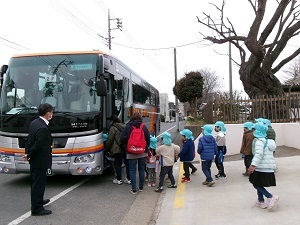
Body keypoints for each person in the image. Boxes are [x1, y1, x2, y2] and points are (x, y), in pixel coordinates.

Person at [23, 103, 53, 216]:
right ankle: (37, 209)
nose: (52, 114)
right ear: (48, 113)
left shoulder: (35, 122)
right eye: (51, 112)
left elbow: (29, 139)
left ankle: (39, 201)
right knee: (38, 184)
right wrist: (29, 155)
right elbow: (38, 145)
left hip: (36, 160)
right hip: (40, 160)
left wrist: (28, 153)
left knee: (37, 183)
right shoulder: (43, 128)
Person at [248, 122, 279, 210]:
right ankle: (261, 201)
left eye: (254, 129)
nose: (252, 131)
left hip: (261, 167)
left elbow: (258, 154)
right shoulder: (268, 141)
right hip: (267, 167)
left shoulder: (259, 141)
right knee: (258, 183)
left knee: (255, 184)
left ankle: (270, 196)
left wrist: (253, 165)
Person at [120, 112, 150, 194]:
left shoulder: (128, 127)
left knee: (132, 170)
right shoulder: (144, 126)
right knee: (141, 169)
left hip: (131, 152)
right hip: (142, 152)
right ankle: (141, 187)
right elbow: (148, 138)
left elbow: (122, 138)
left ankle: (134, 189)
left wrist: (126, 146)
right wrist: (145, 148)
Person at [106, 115, 130, 185]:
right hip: (125, 148)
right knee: (127, 164)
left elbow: (110, 140)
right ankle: (128, 179)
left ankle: (119, 179)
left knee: (117, 164)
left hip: (117, 149)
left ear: (112, 121)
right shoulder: (125, 126)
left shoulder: (113, 128)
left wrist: (106, 148)